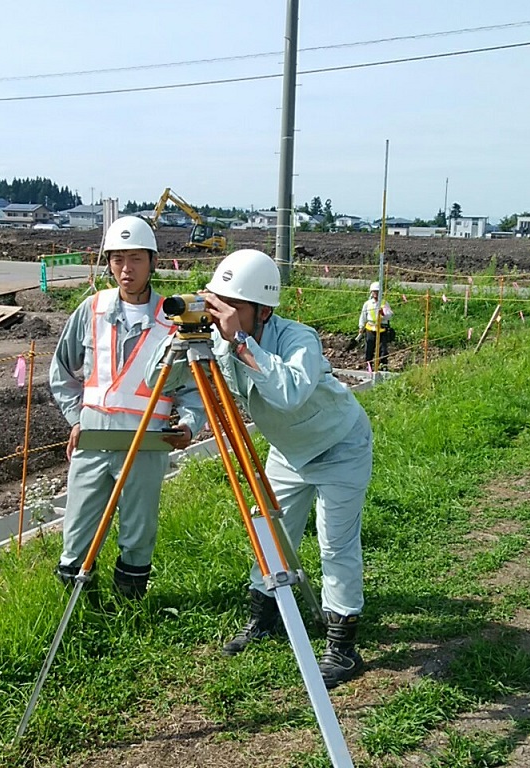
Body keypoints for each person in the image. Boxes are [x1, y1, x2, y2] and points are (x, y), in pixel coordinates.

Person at [147, 249, 373, 688]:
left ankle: (342, 646)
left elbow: (289, 393)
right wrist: (182, 340)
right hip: (289, 451)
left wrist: (239, 342)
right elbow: (174, 383)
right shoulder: (215, 339)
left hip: (340, 446)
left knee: (335, 543)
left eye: (230, 305)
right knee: (269, 531)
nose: (220, 313)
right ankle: (264, 617)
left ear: (262, 309)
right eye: (215, 301)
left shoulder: (298, 338)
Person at [48, 215, 202, 598]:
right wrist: (74, 418)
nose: (125, 269)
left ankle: (129, 610)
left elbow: (195, 390)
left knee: (137, 533)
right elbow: (62, 372)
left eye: (135, 258)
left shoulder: (175, 318)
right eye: (117, 259)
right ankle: (81, 609)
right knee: (78, 532)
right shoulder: (92, 309)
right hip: (94, 442)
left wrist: (189, 424)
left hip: (146, 446)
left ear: (152, 261)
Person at [357, 281, 394, 371]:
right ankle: (368, 365)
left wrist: (383, 313)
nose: (375, 294)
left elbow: (390, 315)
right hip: (370, 327)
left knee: (383, 349)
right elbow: (363, 315)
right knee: (369, 347)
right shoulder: (368, 304)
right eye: (373, 291)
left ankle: (383, 366)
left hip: (381, 328)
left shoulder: (384, 303)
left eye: (377, 291)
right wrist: (361, 327)